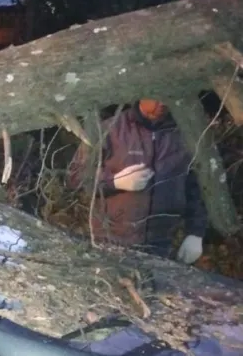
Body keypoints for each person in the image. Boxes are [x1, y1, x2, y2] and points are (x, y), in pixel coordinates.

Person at [68, 99, 208, 264]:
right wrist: (115, 181)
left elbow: (195, 187)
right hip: (111, 238)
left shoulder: (182, 134)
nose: (162, 103)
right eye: (155, 96)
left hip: (160, 243)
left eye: (166, 96)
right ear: (141, 94)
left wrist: (195, 233)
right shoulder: (111, 129)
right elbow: (76, 177)